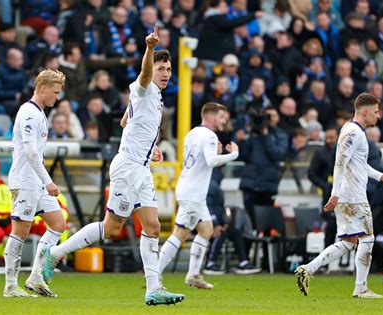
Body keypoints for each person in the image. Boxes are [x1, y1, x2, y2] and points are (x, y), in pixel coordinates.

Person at [41, 25, 185, 306]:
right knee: (111, 229)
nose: (166, 73)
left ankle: (153, 288)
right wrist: (149, 48)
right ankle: (56, 254)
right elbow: (143, 75)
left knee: (153, 226)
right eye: (161, 68)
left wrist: (150, 147)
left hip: (141, 169)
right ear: (151, 70)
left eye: (168, 69)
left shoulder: (153, 98)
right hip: (128, 167)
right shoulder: (143, 87)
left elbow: (124, 122)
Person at [295, 93, 383, 298]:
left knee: (349, 242)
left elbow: (359, 164)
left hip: (348, 194)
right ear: (364, 112)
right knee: (368, 239)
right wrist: (335, 194)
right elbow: (339, 163)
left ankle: (307, 269)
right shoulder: (354, 132)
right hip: (352, 196)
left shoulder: (352, 130)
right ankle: (360, 288)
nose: (378, 116)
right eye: (375, 112)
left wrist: (382, 177)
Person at [158, 102, 239, 289]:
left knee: (206, 230)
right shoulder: (210, 136)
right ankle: (153, 274)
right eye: (221, 117)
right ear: (211, 117)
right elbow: (211, 161)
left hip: (190, 189)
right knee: (180, 233)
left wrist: (216, 154)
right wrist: (232, 155)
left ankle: (193, 275)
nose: (224, 120)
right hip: (193, 192)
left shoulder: (192, 133)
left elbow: (204, 160)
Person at [3, 69, 67, 298]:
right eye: (55, 92)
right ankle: (10, 285)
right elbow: (30, 151)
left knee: (58, 224)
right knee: (20, 231)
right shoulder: (29, 112)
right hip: (25, 181)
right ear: (42, 88)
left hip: (36, 181)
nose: (57, 97)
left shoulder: (39, 113)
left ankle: (36, 276)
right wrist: (48, 181)